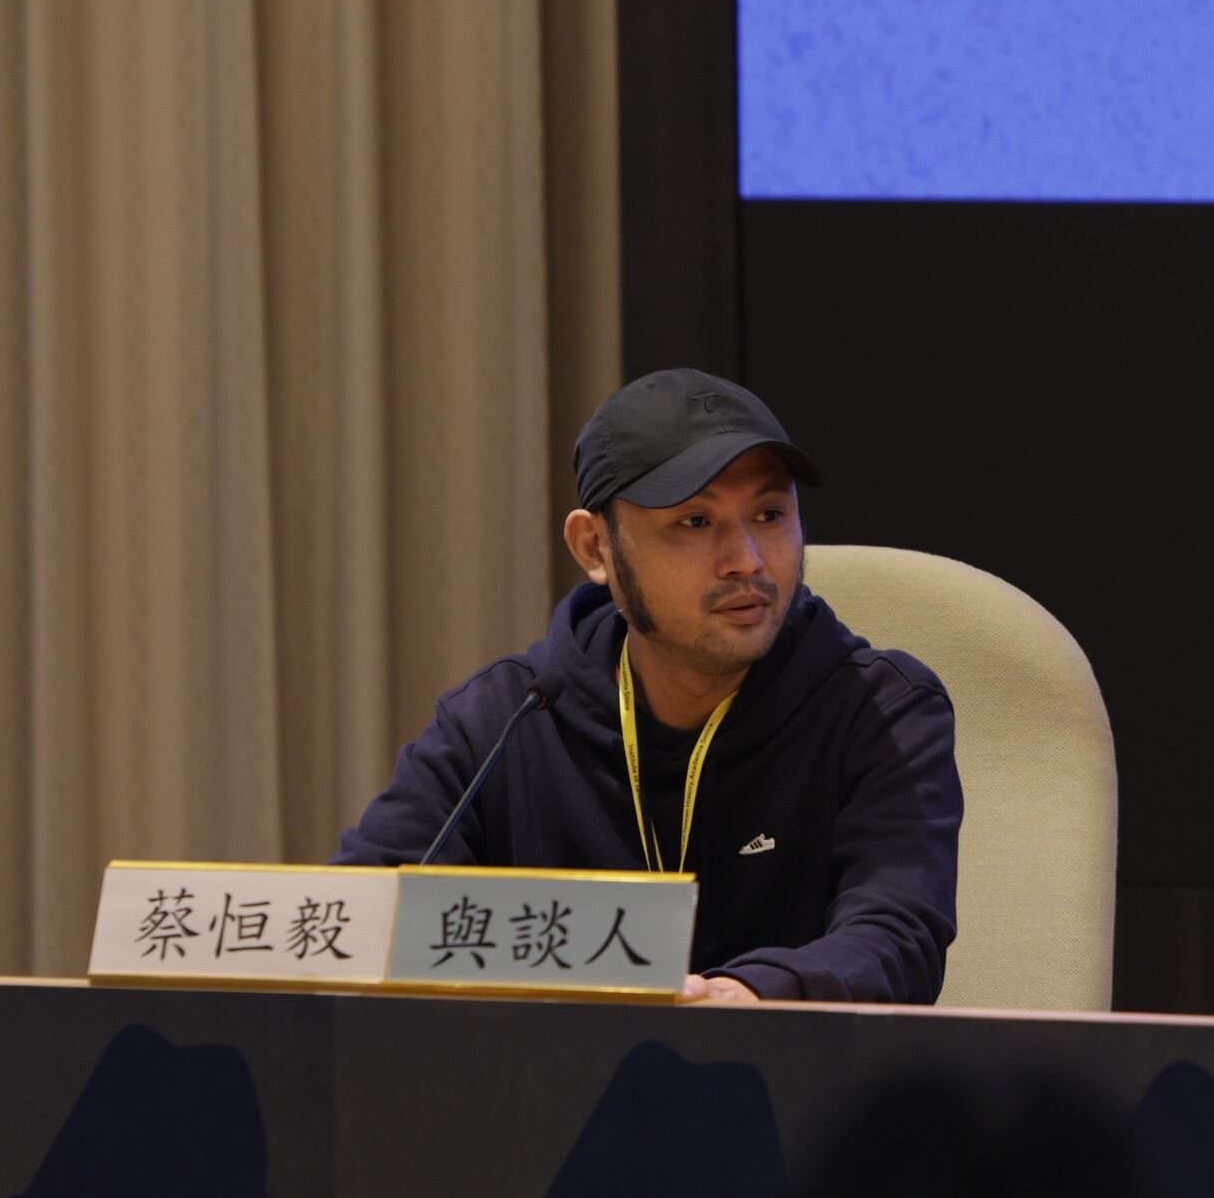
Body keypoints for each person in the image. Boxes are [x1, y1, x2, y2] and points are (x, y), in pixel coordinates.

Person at [333, 368, 962, 1003]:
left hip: (786, 1062)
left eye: (770, 514)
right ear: (594, 548)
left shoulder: (879, 711)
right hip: (560, 1065)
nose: (747, 559)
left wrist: (751, 995)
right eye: (695, 522)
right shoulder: (505, 719)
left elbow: (897, 934)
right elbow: (360, 920)